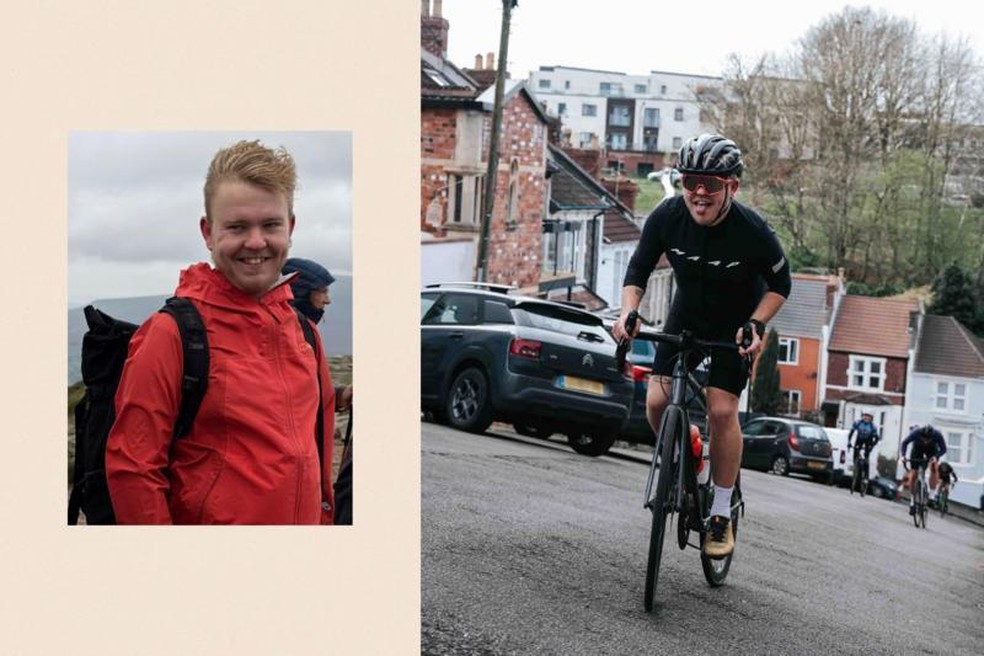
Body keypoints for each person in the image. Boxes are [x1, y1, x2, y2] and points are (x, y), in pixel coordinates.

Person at [105, 140, 337, 525]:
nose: (256, 242)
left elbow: (317, 454)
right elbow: (134, 469)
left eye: (271, 225)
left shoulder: (306, 334)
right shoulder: (171, 334)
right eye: (237, 227)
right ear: (208, 232)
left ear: (290, 228)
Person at [613, 133, 791, 559]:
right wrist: (628, 313)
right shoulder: (666, 217)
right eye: (690, 179)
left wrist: (756, 324)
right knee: (656, 401)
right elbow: (638, 269)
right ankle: (686, 448)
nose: (698, 192)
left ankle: (719, 513)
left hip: (736, 323)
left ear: (732, 186)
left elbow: (781, 284)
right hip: (688, 314)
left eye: (710, 183)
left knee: (721, 409)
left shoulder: (752, 230)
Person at [282, 257, 354, 525]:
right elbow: (285, 396)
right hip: (292, 464)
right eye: (321, 291)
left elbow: (303, 390)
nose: (327, 300)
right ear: (301, 291)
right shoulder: (291, 331)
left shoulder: (304, 329)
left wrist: (338, 396)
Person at [898, 424, 947, 516]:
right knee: (914, 474)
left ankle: (932, 496)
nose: (925, 441)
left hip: (932, 451)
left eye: (928, 439)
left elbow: (943, 449)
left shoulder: (937, 435)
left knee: (934, 467)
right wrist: (903, 456)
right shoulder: (916, 433)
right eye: (924, 438)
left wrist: (936, 457)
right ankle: (912, 501)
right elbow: (904, 443)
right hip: (917, 450)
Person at [846, 411, 880, 483]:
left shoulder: (873, 426)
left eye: (868, 416)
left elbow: (877, 439)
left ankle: (865, 477)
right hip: (859, 440)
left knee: (866, 458)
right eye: (865, 416)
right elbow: (851, 433)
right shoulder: (858, 423)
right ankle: (856, 468)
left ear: (871, 418)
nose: (866, 417)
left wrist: (872, 447)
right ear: (862, 416)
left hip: (868, 441)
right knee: (855, 453)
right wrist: (849, 442)